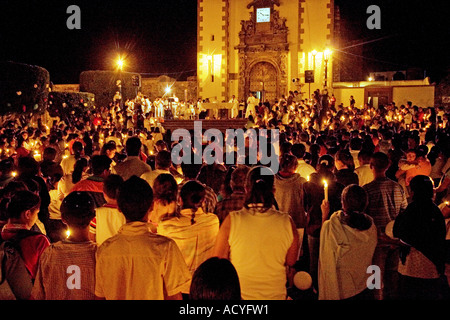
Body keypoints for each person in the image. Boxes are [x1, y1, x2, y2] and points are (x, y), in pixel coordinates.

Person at [95, 176, 191, 300]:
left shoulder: (104, 250)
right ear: (151, 206)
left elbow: (100, 296)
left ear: (118, 207)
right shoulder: (166, 248)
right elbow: (175, 297)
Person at [213, 166, 300, 300]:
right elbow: (291, 260)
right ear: (273, 191)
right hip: (276, 295)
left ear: (247, 189)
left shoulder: (232, 220)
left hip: (241, 296)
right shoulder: (287, 222)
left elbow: (218, 259)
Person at [31, 191, 97, 300]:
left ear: (63, 218)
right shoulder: (100, 253)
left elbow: (38, 295)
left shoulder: (50, 253)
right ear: (93, 217)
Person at [158, 180, 220, 295]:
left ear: (180, 200)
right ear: (203, 201)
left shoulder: (166, 225)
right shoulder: (213, 221)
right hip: (205, 287)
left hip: (177, 289)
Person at [318, 184, 377, 300]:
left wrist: (324, 215)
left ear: (342, 203)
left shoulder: (333, 227)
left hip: (344, 289)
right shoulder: (371, 227)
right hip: (364, 285)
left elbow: (325, 252)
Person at [393, 175, 447, 299]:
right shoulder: (436, 211)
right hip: (432, 268)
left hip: (412, 269)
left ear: (413, 192)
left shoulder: (411, 210)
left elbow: (404, 235)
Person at [363, 152, 408, 300]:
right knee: (392, 277)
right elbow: (404, 212)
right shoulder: (397, 188)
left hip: (376, 242)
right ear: (388, 166)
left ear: (371, 166)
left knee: (374, 278)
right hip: (394, 242)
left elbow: (364, 217)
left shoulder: (367, 190)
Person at [0, 190, 50, 300]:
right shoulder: (39, 241)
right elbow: (48, 278)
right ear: (27, 214)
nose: (36, 217)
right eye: (36, 213)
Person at [88, 174, 125, 245]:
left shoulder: (97, 213)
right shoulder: (126, 212)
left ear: (104, 193)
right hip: (123, 253)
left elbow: (91, 237)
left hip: (103, 252)